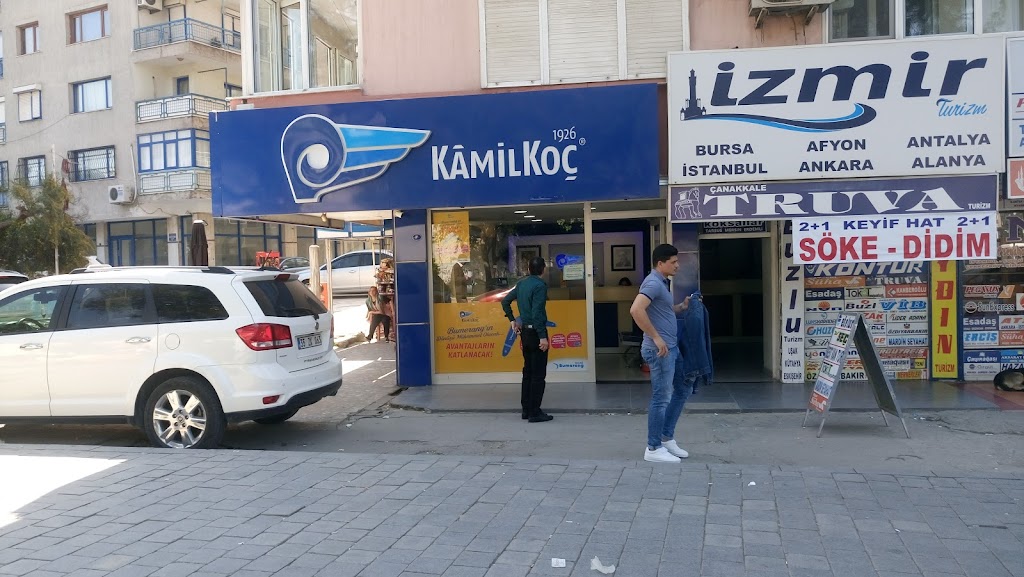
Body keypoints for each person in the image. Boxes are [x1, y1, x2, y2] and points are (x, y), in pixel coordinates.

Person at [629, 244, 692, 463]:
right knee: (661, 397)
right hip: (660, 350)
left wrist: (681, 307)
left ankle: (666, 438)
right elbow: (636, 309)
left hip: (671, 347)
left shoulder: (662, 283)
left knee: (683, 388)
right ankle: (654, 448)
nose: (677, 265)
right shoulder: (653, 282)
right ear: (660, 263)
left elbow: (662, 310)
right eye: (673, 262)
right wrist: (656, 337)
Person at [501, 256, 552, 423]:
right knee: (538, 374)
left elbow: (505, 301)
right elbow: (537, 313)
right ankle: (535, 412)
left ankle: (526, 410)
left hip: (525, 333)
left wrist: (512, 320)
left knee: (528, 372)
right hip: (536, 333)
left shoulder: (521, 284)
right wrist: (543, 337)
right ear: (543, 270)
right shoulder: (540, 286)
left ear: (529, 269)